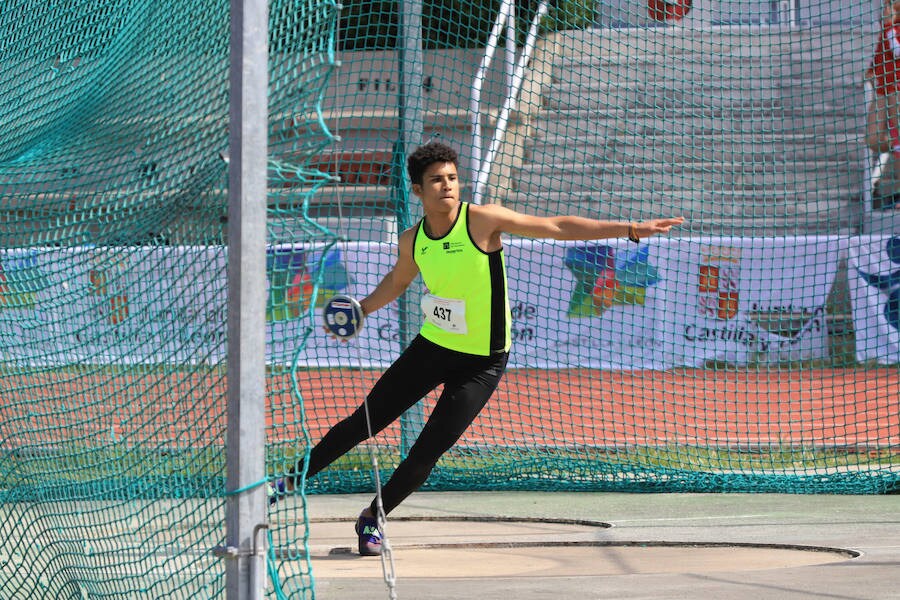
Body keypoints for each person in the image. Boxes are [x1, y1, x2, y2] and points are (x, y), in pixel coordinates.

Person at [272, 141, 684, 556]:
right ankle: (286, 483)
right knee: (363, 422)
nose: (447, 186)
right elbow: (398, 282)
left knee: (426, 452)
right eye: (436, 180)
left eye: (452, 177)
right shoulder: (412, 239)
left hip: (483, 362)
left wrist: (630, 229)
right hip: (432, 347)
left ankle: (373, 519)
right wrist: (362, 308)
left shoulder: (482, 221)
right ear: (418, 190)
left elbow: (557, 227)